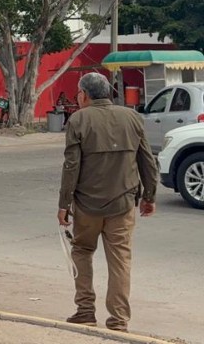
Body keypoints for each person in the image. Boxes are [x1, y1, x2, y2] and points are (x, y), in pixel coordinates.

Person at [58, 72, 158, 332]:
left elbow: (71, 166)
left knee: (82, 251)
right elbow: (147, 161)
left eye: (78, 93)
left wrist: (63, 205)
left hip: (87, 206)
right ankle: (118, 320)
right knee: (120, 260)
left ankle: (85, 310)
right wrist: (149, 196)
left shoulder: (78, 120)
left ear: (84, 95)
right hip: (123, 204)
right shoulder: (132, 117)